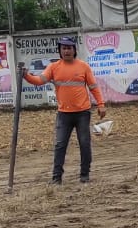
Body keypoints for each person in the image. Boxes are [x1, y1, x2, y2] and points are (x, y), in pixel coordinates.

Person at [21, 36, 106, 184]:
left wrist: (101, 104)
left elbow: (93, 87)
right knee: (60, 145)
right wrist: (26, 76)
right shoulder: (53, 67)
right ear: (60, 51)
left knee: (84, 144)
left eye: (69, 48)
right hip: (64, 114)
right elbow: (39, 80)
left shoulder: (83, 66)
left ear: (74, 50)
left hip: (82, 113)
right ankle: (56, 178)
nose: (66, 51)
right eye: (64, 48)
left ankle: (85, 175)